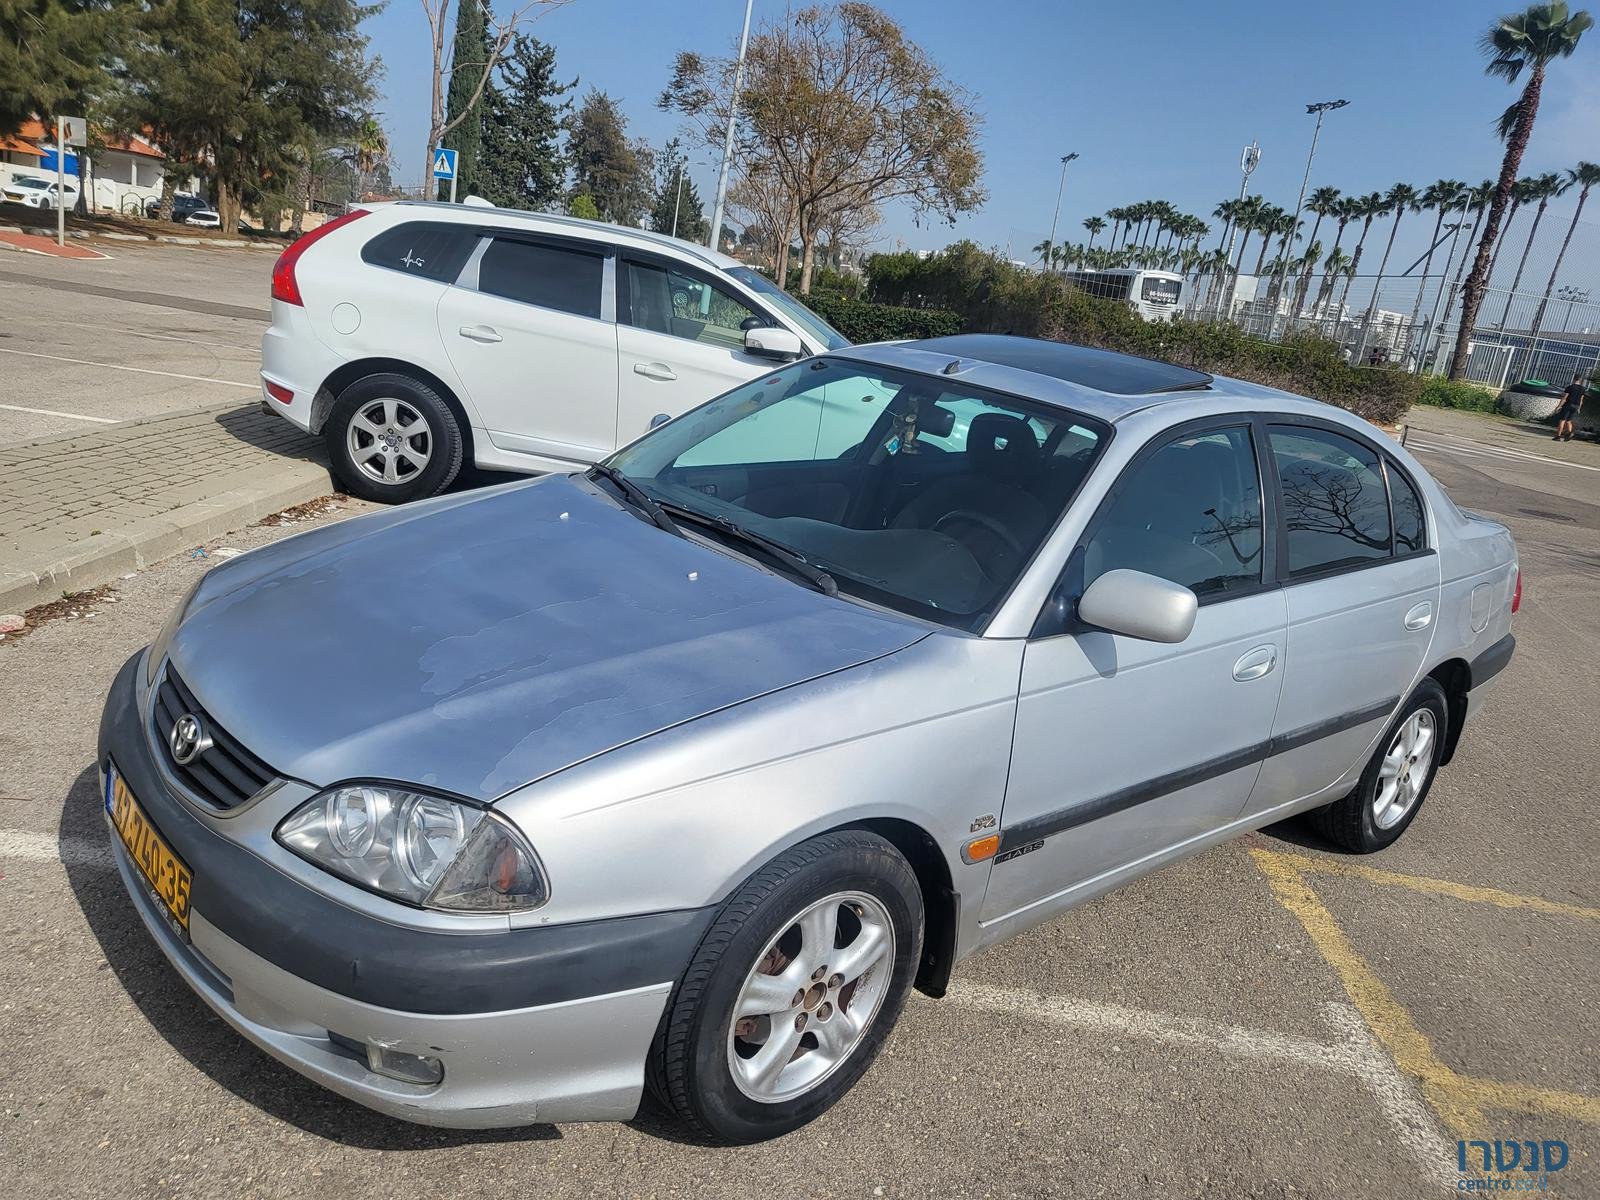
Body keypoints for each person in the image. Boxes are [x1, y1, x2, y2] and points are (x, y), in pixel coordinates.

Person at [1554, 372, 1588, 442]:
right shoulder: (1583, 389)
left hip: (1568, 405)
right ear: (1580, 380)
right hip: (1576, 406)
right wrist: (1579, 408)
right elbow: (1581, 400)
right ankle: (1569, 434)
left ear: (1574, 379)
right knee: (1569, 420)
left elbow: (1564, 398)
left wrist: (1558, 406)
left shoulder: (1570, 387)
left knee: (1562, 420)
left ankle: (1558, 436)